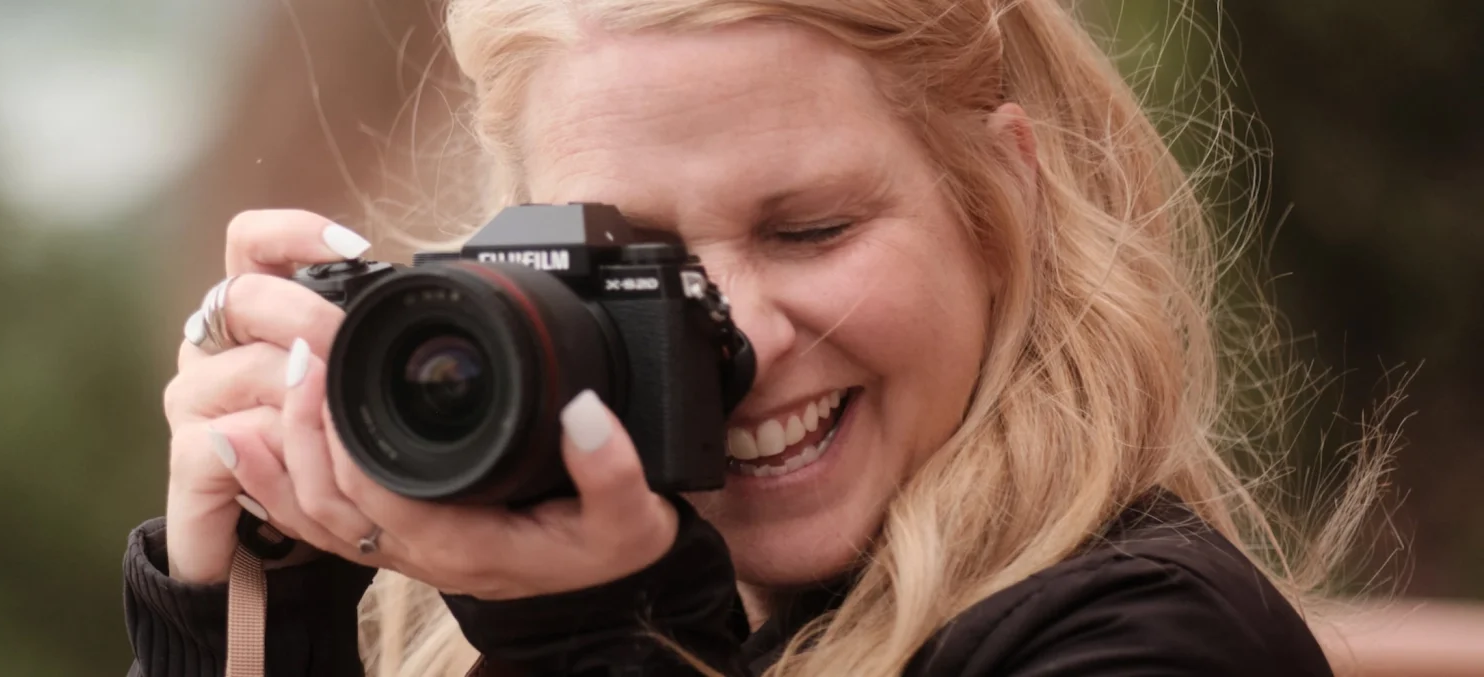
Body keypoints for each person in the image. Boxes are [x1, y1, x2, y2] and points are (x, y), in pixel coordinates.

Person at [126, 0, 1382, 675]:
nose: (739, 338)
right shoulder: (479, 614)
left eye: (810, 229)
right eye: (637, 263)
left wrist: (602, 644)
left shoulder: (1153, 638)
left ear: (1005, 200)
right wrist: (248, 615)